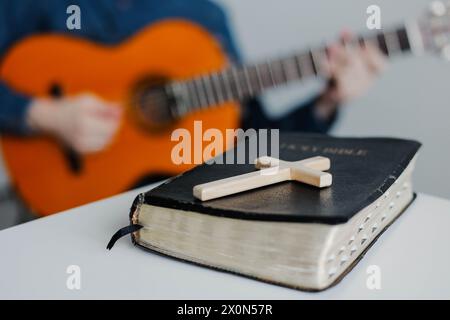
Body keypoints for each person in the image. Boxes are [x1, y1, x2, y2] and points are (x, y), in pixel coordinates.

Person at [0, 0, 385, 155]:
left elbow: (250, 142)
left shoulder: (205, 17)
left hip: (175, 216)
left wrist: (328, 101)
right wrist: (43, 115)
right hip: (59, 212)